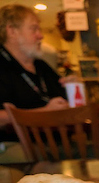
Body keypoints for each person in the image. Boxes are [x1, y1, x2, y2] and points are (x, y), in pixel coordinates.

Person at [0, 4, 71, 139]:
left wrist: (72, 89)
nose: (41, 36)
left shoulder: (41, 65)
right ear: (12, 31)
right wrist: (44, 112)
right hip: (17, 144)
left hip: (57, 141)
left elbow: (63, 102)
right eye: (34, 29)